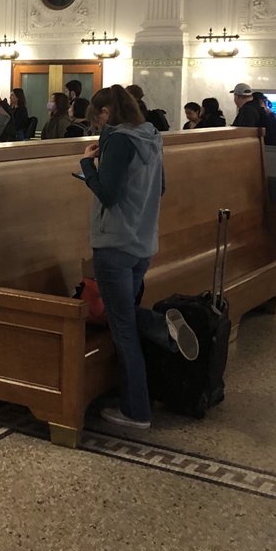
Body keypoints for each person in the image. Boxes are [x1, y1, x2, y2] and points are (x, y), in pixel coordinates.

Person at [79, 85, 198, 433]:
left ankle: (136, 411)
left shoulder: (117, 140)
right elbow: (159, 187)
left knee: (123, 328)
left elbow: (108, 194)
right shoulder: (151, 136)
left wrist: (88, 163)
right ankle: (162, 329)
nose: (97, 127)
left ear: (105, 113)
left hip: (114, 243)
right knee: (124, 315)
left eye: (96, 120)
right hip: (143, 243)